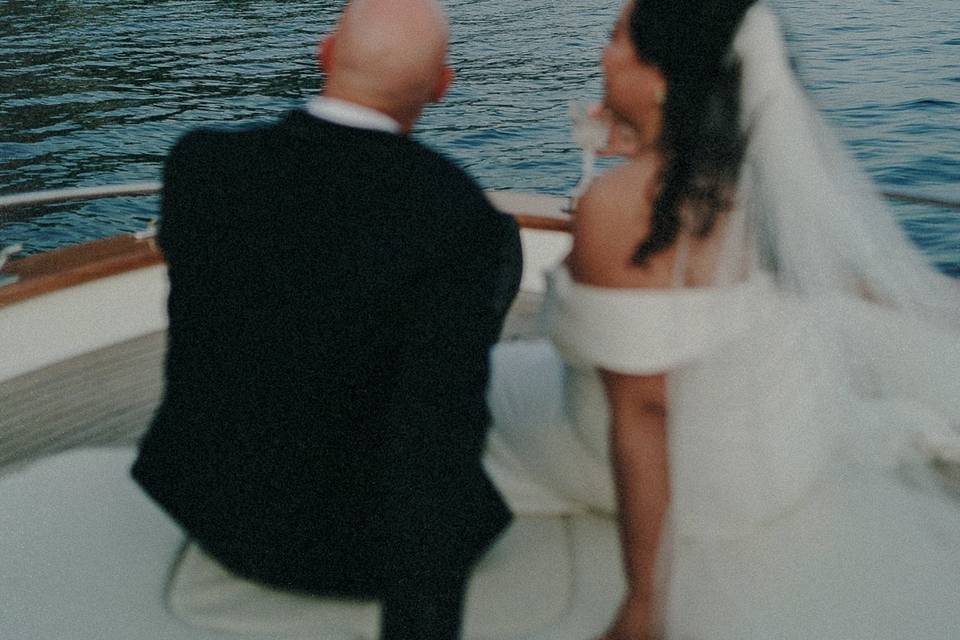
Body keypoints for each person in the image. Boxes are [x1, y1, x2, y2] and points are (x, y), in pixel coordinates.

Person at [484, 1, 960, 638]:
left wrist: (644, 603)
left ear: (660, 78)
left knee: (474, 385)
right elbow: (840, 283)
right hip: (778, 456)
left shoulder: (621, 208)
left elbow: (643, 412)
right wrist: (643, 145)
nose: (601, 55)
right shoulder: (762, 182)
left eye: (613, 37)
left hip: (689, 483)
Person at [132, 1, 520, 638]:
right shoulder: (456, 216)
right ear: (442, 88)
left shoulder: (199, 165)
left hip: (205, 507)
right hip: (354, 555)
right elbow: (436, 443)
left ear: (324, 53)